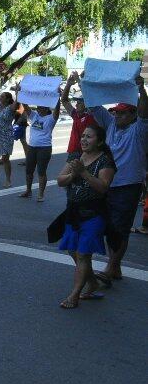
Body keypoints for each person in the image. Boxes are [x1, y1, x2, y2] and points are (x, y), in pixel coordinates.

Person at [88, 75, 148, 285]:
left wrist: (142, 90)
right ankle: (116, 267)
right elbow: (94, 105)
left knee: (120, 227)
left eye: (122, 113)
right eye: (115, 112)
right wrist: (85, 84)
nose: (117, 116)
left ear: (132, 114)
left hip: (128, 186)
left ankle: (110, 267)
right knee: (109, 227)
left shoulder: (140, 129)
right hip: (107, 183)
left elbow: (144, 112)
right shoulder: (111, 124)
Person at [56, 124, 116, 308]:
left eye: (89, 137)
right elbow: (60, 180)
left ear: (99, 141)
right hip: (73, 211)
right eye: (82, 136)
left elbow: (103, 187)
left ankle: (74, 295)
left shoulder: (105, 161)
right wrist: (74, 173)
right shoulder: (75, 156)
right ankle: (92, 282)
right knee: (73, 251)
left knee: (83, 255)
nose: (83, 140)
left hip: (94, 213)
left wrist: (83, 172)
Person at [20, 91, 61, 202]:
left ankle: (41, 194)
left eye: (41, 106)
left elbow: (57, 111)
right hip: (32, 147)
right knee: (29, 170)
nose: (38, 107)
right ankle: (28, 190)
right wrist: (20, 92)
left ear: (46, 108)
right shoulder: (34, 115)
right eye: (38, 106)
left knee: (41, 171)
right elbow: (25, 106)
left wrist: (58, 98)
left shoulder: (51, 118)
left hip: (44, 148)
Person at [0, 91, 19, 186]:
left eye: (2, 96)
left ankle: (8, 180)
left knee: (5, 159)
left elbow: (17, 102)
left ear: (8, 99)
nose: (0, 98)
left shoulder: (11, 108)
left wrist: (18, 92)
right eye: (0, 96)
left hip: (6, 136)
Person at [61, 71, 95, 156]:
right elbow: (64, 100)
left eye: (79, 102)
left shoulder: (91, 116)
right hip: (73, 151)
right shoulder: (76, 115)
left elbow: (90, 98)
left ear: (86, 104)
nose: (76, 104)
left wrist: (79, 80)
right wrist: (68, 84)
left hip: (86, 153)